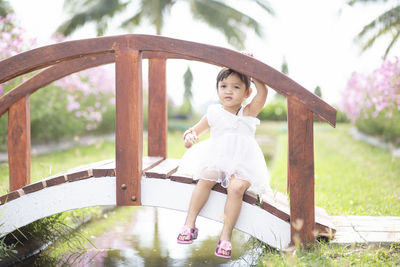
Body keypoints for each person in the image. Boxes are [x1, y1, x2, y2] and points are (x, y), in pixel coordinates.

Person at [176, 66, 271, 259]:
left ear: (247, 92)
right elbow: (193, 131)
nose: (229, 91)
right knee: (206, 176)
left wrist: (249, 67)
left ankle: (225, 237)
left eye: (236, 87)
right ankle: (189, 224)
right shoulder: (213, 113)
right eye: (224, 86)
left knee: (236, 188)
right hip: (217, 160)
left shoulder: (249, 112)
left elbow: (264, 92)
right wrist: (189, 137)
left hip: (243, 163)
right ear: (217, 89)